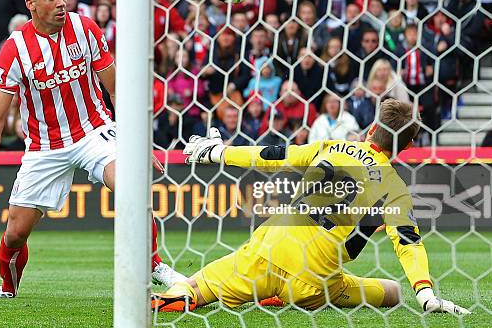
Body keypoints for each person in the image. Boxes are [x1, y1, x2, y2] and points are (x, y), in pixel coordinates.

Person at [0, 0, 184, 300]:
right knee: (15, 234)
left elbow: (114, 89)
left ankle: (152, 263)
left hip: (94, 130)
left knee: (130, 182)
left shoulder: (85, 28)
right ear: (32, 5)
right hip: (44, 146)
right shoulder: (15, 49)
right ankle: (8, 289)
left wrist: (135, 145)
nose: (61, 3)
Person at [152, 99, 471, 316]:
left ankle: (151, 309)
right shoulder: (395, 188)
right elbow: (408, 243)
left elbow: (273, 157)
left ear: (371, 130)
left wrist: (218, 153)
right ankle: (279, 294)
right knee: (392, 293)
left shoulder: (333, 147)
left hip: (267, 253)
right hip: (315, 282)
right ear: (408, 147)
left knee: (193, 288)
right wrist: (425, 293)